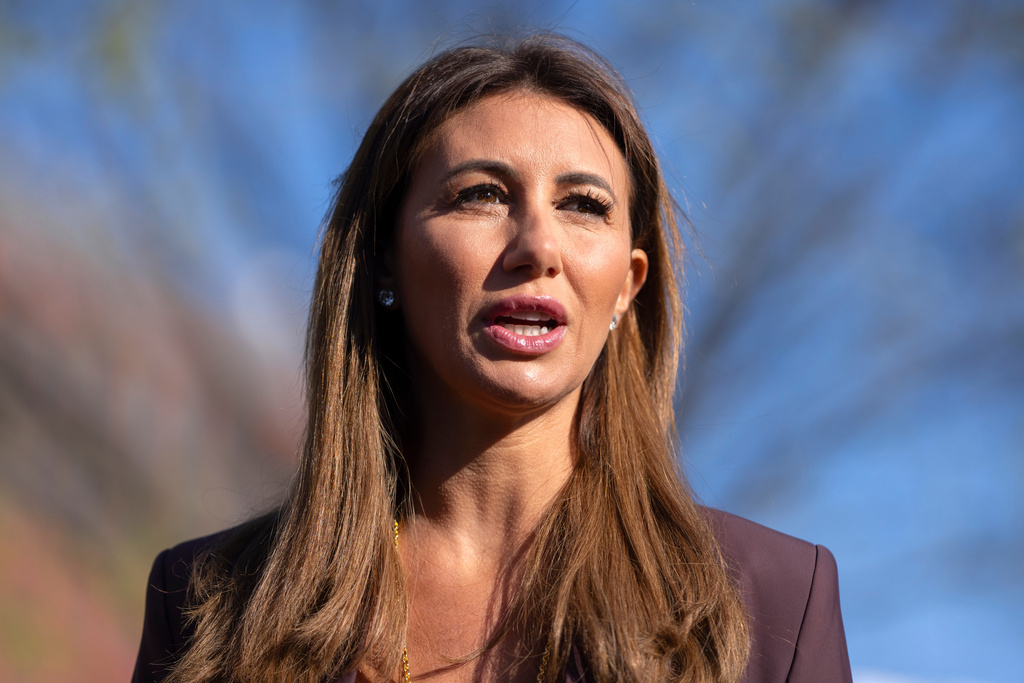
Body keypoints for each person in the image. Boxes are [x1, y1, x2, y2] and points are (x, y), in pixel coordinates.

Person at [132, 33, 853, 683]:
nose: (538, 247)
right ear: (383, 259)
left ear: (628, 286)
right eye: (481, 195)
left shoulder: (776, 605)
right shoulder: (206, 604)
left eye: (583, 205)